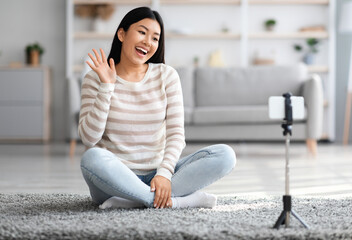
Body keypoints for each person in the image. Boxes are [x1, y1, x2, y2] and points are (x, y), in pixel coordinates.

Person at [79, 6, 236, 209]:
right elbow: (89, 138)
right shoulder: (95, 78)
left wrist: (164, 174)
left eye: (155, 38)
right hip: (116, 178)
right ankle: (177, 202)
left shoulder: (166, 75)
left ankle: (133, 201)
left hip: (158, 175)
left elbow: (176, 135)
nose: (148, 42)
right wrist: (107, 86)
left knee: (225, 155)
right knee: (92, 158)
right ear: (121, 34)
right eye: (142, 32)